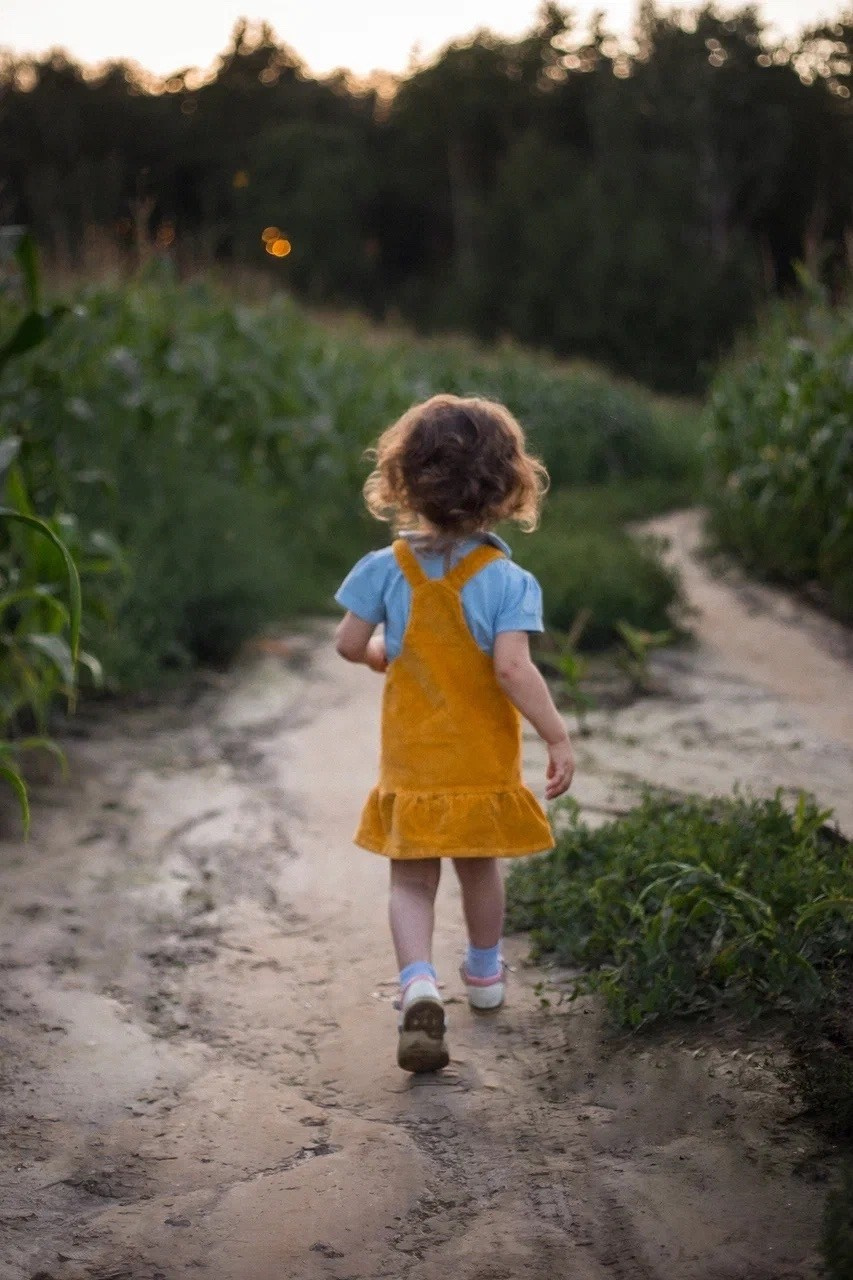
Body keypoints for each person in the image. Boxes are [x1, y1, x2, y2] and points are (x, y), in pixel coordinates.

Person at [334, 393, 574, 1073]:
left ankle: (416, 983)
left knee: (410, 882)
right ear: (506, 486)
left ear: (404, 481)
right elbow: (511, 668)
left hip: (412, 765)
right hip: (480, 764)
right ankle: (484, 974)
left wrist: (384, 653)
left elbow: (349, 643)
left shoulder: (384, 568)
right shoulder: (508, 580)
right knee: (479, 869)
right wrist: (556, 736)